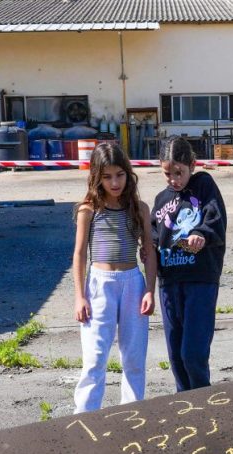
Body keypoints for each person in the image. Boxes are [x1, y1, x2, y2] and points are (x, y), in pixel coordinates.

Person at [72, 142, 158, 413]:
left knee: (134, 358)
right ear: (96, 177)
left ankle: (131, 416)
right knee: (95, 358)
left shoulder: (140, 209)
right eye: (107, 177)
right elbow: (79, 254)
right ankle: (84, 416)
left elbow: (149, 252)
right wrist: (79, 296)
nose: (115, 183)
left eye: (120, 175)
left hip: (133, 283)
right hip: (100, 285)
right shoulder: (89, 210)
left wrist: (150, 290)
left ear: (128, 173)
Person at [151, 136, 228, 392]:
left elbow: (215, 217)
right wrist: (147, 248)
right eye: (168, 173)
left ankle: (203, 399)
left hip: (200, 280)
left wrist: (201, 234)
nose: (174, 179)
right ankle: (183, 401)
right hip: (169, 283)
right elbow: (153, 233)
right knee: (176, 356)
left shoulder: (203, 185)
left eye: (179, 172)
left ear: (192, 165)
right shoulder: (161, 200)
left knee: (193, 353)